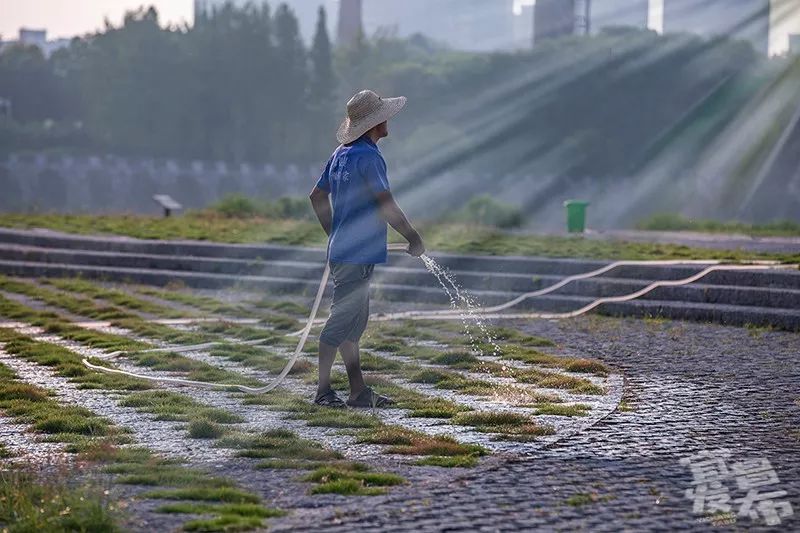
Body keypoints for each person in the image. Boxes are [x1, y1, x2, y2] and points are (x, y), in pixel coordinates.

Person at [308, 89, 425, 408]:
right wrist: (412, 236)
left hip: (347, 252)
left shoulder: (341, 154)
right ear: (376, 123)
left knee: (354, 323)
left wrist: (335, 234)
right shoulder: (370, 157)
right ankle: (323, 391)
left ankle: (358, 391)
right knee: (340, 321)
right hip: (355, 255)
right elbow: (385, 204)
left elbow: (317, 196)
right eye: (384, 116)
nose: (388, 120)